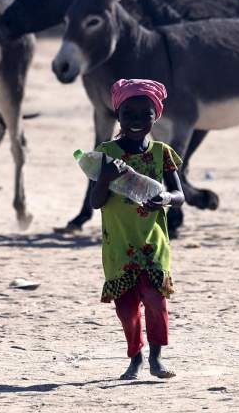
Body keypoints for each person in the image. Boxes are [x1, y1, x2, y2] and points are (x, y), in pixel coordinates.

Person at [90, 78, 184, 380]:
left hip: (153, 243)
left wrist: (166, 198)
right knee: (127, 311)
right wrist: (104, 178)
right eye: (129, 114)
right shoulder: (104, 153)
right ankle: (136, 357)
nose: (137, 121)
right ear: (118, 115)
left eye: (146, 114)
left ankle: (156, 358)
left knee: (157, 302)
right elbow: (95, 202)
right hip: (118, 244)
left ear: (155, 116)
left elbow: (180, 195)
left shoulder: (162, 153)